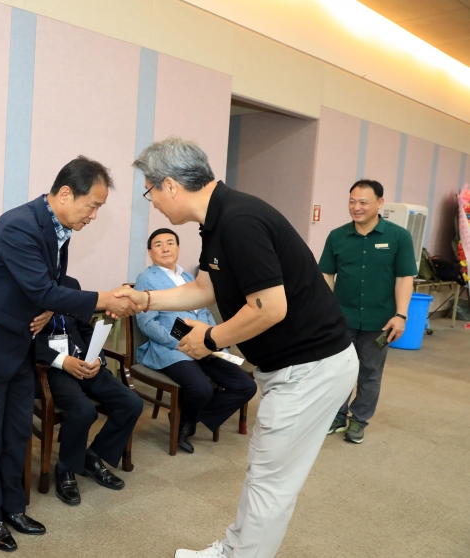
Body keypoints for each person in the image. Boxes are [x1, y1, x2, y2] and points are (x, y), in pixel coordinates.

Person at [116, 137, 358, 558]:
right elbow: (203, 288)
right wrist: (146, 298)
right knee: (264, 473)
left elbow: (270, 308)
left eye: (150, 190)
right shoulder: (217, 221)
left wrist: (209, 339)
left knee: (270, 482)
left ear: (170, 185)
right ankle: (233, 550)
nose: (151, 201)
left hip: (310, 367)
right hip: (295, 365)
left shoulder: (239, 220)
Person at [0, 156, 139, 553]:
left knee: (17, 433)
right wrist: (106, 299)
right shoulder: (19, 225)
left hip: (20, 344)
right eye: (93, 206)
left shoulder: (58, 228)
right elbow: (41, 288)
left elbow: (43, 287)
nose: (94, 216)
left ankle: (13, 507)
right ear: (66, 193)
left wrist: (50, 308)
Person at [134, 228, 256, 454]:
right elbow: (147, 323)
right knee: (201, 389)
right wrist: (180, 343)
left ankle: (186, 419)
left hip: (204, 344)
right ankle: (185, 423)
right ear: (150, 252)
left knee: (246, 386)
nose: (165, 248)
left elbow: (205, 312)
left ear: (178, 248)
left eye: (170, 243)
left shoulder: (189, 277)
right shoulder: (146, 278)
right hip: (172, 348)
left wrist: (213, 338)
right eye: (158, 244)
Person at [319, 179, 416, 444]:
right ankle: (336, 416)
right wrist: (328, 310)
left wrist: (401, 315)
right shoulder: (337, 236)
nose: (356, 207)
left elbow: (404, 278)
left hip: (381, 320)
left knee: (370, 372)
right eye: (352, 201)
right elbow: (326, 273)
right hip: (342, 319)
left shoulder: (398, 237)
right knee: (338, 370)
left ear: (380, 203)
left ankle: (359, 420)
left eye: (363, 202)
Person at [34, 275, 143, 506]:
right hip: (53, 369)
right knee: (83, 411)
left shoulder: (71, 284)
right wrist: (62, 361)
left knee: (131, 403)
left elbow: (85, 328)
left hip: (86, 362)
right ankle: (65, 468)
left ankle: (93, 457)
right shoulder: (30, 286)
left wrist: (97, 358)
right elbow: (25, 339)